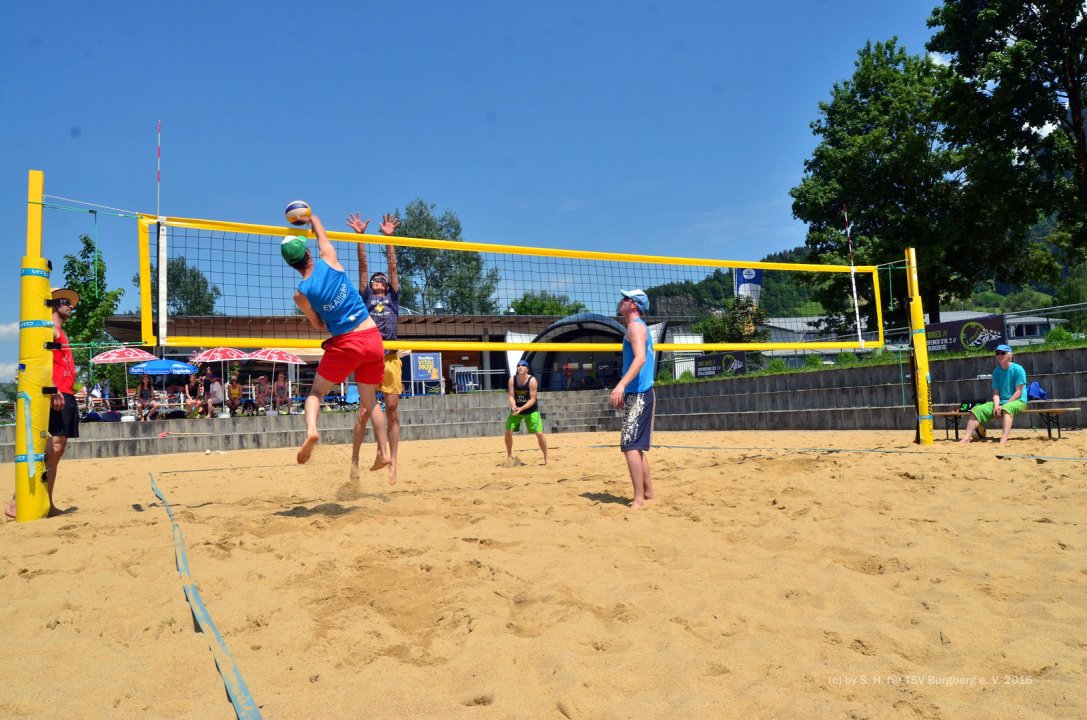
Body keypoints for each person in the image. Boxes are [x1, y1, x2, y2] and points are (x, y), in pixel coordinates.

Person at [281, 212, 391, 474]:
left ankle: (311, 431)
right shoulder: (328, 258)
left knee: (316, 393)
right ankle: (384, 452)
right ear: (309, 253)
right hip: (372, 337)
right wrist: (310, 217)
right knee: (371, 401)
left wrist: (325, 316)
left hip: (346, 343)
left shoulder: (300, 293)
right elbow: (321, 231)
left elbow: (318, 324)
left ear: (292, 265)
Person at [5, 288, 81, 519]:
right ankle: (18, 501)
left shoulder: (59, 331)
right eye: (66, 302)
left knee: (57, 450)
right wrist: (53, 387)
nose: (71, 306)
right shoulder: (47, 328)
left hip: (65, 393)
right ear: (53, 302)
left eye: (71, 303)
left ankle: (47, 503)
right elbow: (38, 360)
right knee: (53, 447)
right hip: (54, 394)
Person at [347, 211, 403, 482]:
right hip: (370, 356)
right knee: (363, 414)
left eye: (382, 280)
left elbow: (392, 268)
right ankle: (355, 461)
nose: (378, 281)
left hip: (391, 357)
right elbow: (363, 265)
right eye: (375, 280)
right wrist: (361, 237)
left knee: (392, 410)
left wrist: (389, 239)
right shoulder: (366, 295)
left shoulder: (392, 297)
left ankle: (393, 464)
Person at [609, 289, 656, 510]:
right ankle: (647, 492)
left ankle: (639, 499)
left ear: (634, 305)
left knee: (629, 446)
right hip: (639, 392)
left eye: (625, 299)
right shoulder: (638, 328)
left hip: (639, 393)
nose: (621, 301)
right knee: (636, 446)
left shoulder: (635, 327)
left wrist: (621, 385)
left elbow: (640, 359)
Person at [960, 344, 1028, 445]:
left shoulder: (1018, 369)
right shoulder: (996, 371)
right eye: (997, 353)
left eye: (1002, 353)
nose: (999, 355)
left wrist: (1003, 406)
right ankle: (966, 438)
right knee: (976, 410)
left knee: (1006, 409)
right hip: (1001, 402)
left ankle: (1004, 439)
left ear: (1010, 355)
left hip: (1019, 400)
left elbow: (1019, 392)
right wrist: (996, 406)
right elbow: (996, 393)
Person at [504, 359, 549, 464]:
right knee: (507, 432)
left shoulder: (532, 380)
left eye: (523, 365)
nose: (520, 367)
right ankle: (509, 455)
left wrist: (521, 409)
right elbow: (511, 396)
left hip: (531, 410)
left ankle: (546, 458)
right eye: (518, 365)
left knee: (539, 433)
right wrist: (514, 406)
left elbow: (533, 399)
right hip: (517, 410)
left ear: (527, 369)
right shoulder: (512, 380)